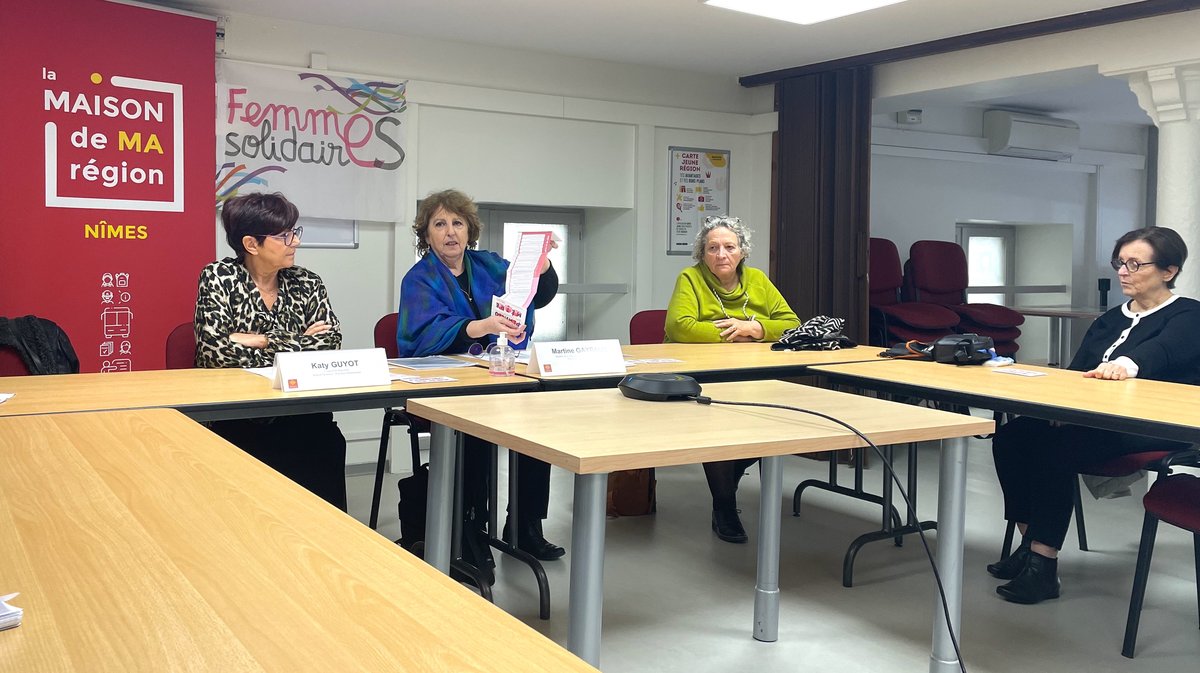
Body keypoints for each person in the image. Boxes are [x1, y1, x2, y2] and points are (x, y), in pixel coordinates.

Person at [989, 226, 1200, 604]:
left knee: (1058, 449)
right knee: (1012, 437)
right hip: (1095, 420)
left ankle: (1043, 565)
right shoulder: (1111, 318)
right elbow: (1077, 370)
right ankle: (1029, 539)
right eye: (1120, 262)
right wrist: (1056, 405)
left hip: (1152, 426)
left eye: (1135, 264)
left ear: (1168, 271)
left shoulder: (1188, 315)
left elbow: (1162, 352)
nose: (1123, 271)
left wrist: (1126, 365)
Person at [397, 188, 563, 577]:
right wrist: (481, 327)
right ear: (426, 234)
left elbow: (536, 295)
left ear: (470, 230)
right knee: (472, 430)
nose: (450, 232)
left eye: (458, 223)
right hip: (444, 385)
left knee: (537, 421)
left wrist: (543, 265)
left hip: (500, 372)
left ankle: (524, 525)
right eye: (440, 224)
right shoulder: (418, 279)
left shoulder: (489, 264)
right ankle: (469, 527)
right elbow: (421, 336)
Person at [194, 192, 348, 511]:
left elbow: (330, 342)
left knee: (327, 441)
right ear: (252, 244)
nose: (295, 242)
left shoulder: (307, 282)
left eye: (294, 232)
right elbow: (215, 352)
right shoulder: (218, 278)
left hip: (302, 410)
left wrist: (263, 340)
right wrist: (297, 341)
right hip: (242, 414)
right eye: (283, 235)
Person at [664, 215, 801, 543]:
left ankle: (733, 472)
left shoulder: (757, 279)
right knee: (717, 429)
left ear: (742, 251)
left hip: (752, 372)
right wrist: (732, 332)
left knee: (775, 420)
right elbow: (679, 326)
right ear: (702, 253)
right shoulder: (690, 278)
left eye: (729, 247)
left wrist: (755, 329)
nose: (721, 254)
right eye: (712, 248)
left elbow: (791, 322)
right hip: (701, 372)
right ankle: (724, 506)